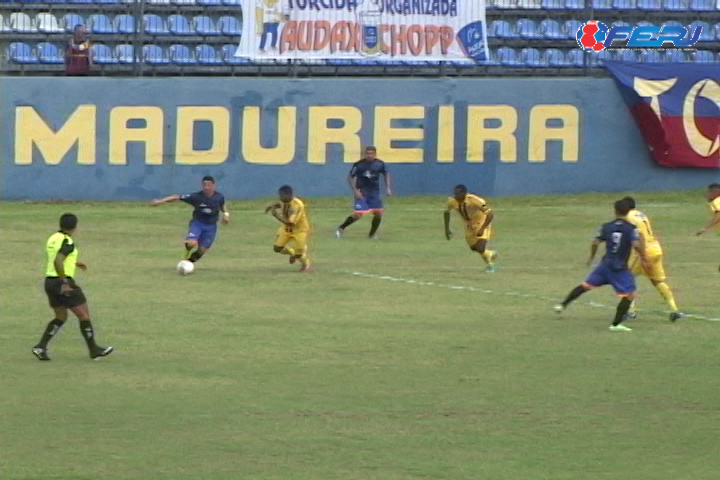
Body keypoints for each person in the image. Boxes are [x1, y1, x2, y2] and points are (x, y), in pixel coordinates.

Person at [554, 199, 648, 332]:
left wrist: (591, 257)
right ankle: (616, 324)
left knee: (586, 285)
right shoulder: (631, 229)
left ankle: (562, 305)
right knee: (630, 295)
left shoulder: (606, 226)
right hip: (619, 268)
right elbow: (635, 245)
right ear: (628, 212)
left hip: (605, 265)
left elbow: (595, 242)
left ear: (615, 211)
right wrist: (644, 257)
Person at [32, 213, 113, 361]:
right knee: (83, 315)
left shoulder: (53, 238)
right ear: (75, 227)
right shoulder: (68, 242)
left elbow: (56, 256)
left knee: (61, 316)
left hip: (49, 282)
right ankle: (94, 350)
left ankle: (40, 346)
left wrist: (75, 262)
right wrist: (64, 282)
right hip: (63, 282)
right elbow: (58, 259)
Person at [621, 196, 683, 322]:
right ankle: (674, 310)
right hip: (656, 248)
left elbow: (638, 236)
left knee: (626, 277)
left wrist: (642, 255)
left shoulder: (628, 217)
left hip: (644, 250)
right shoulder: (641, 214)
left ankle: (630, 311)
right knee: (657, 281)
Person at [151, 176, 229, 264]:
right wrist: (160, 201)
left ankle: (188, 263)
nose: (206, 187)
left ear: (214, 186)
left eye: (209, 185)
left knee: (202, 250)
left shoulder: (219, 197)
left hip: (211, 227)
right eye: (204, 185)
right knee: (191, 243)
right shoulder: (196, 196)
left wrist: (226, 214)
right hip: (198, 224)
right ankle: (187, 252)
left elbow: (222, 205)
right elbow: (177, 197)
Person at [335, 146, 392, 240]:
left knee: (378, 213)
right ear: (365, 154)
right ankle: (341, 228)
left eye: (371, 154)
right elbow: (350, 178)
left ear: (375, 154)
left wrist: (388, 188)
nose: (369, 155)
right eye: (367, 154)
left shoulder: (380, 164)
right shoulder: (359, 165)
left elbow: (386, 174)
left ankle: (372, 235)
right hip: (362, 192)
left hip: (374, 192)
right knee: (358, 215)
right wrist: (356, 191)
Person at [443, 184, 497, 273]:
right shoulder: (452, 201)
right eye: (455, 194)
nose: (455, 196)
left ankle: (490, 266)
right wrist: (447, 229)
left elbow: (490, 215)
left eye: (458, 194)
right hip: (469, 226)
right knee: (474, 247)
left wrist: (482, 229)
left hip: (481, 222)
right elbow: (446, 213)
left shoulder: (474, 200)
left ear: (464, 194)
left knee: (480, 247)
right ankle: (490, 254)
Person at [265, 185, 313, 272]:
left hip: (299, 230)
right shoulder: (284, 201)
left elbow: (290, 223)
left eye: (281, 195)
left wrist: (276, 216)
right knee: (277, 248)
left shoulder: (297, 206)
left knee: (299, 253)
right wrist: (271, 206)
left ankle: (306, 265)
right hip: (286, 229)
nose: (280, 197)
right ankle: (292, 253)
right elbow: (279, 204)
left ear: (288, 195)